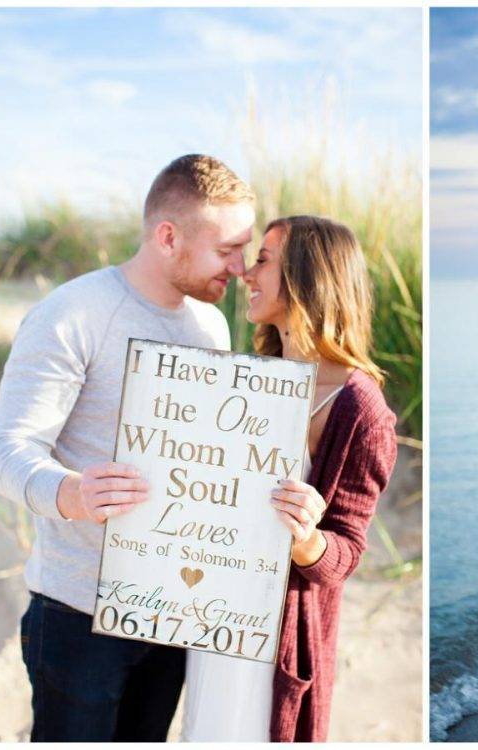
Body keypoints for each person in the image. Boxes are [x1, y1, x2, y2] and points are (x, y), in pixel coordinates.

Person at [0, 154, 256, 741]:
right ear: (168, 237)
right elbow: (5, 451)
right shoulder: (71, 314)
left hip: (172, 610)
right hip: (77, 613)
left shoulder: (212, 327)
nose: (240, 266)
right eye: (227, 249)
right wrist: (71, 492)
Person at [181, 216, 398, 742]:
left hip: (273, 638)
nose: (246, 274)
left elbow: (344, 554)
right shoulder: (250, 379)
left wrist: (305, 540)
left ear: (307, 275)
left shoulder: (360, 410)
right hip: (213, 615)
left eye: (263, 259)